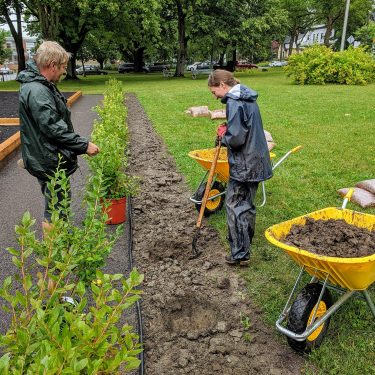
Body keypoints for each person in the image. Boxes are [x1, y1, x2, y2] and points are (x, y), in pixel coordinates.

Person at [17, 41, 100, 233]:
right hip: (48, 157)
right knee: (55, 208)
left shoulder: (40, 84)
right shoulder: (38, 91)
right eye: (62, 67)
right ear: (52, 64)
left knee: (57, 203)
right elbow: (53, 128)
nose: (64, 72)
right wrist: (84, 145)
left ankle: (58, 247)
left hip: (47, 154)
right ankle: (55, 257)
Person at [208, 69, 273, 265]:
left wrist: (223, 136)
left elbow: (236, 138)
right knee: (247, 205)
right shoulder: (246, 97)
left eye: (214, 92)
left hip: (245, 164)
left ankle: (239, 253)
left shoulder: (235, 101)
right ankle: (244, 247)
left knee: (235, 206)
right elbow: (243, 125)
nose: (215, 96)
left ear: (222, 85)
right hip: (256, 160)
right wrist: (229, 127)